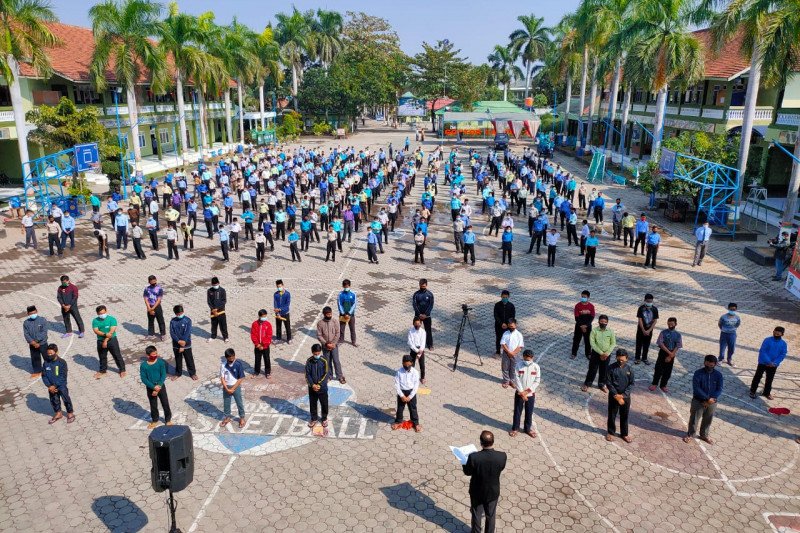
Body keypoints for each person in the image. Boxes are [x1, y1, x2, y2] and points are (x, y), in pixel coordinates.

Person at [462, 430, 507, 533]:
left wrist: (464, 462)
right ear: (493, 442)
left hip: (477, 492)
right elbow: (501, 468)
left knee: (477, 515)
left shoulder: (474, 457)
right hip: (492, 492)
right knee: (491, 515)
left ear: (481, 443)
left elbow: (467, 472)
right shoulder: (502, 456)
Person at [683, 355, 723, 445]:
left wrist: (711, 399)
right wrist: (707, 399)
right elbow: (696, 388)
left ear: (715, 364)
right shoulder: (698, 373)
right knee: (694, 419)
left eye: (711, 365)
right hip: (699, 401)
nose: (709, 366)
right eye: (707, 363)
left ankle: (704, 435)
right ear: (704, 362)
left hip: (712, 402)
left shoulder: (718, 375)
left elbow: (719, 389)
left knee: (708, 419)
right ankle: (690, 434)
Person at [749, 326, 788, 400]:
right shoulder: (767, 340)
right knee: (757, 377)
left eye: (778, 332)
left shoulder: (783, 344)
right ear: (773, 332)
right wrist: (769, 362)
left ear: (782, 334)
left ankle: (766, 393)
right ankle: (752, 391)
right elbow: (763, 351)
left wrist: (775, 363)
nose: (776, 333)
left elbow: (782, 354)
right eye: (775, 331)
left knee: (769, 379)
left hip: (773, 365)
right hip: (763, 363)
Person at [510, 349, 540, 438]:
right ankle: (515, 428)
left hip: (530, 394)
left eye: (529, 360)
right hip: (519, 393)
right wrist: (522, 392)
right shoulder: (518, 366)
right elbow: (517, 379)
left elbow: (537, 381)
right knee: (517, 411)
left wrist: (527, 391)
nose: (527, 361)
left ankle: (527, 429)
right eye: (526, 359)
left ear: (532, 358)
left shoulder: (536, 367)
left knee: (529, 412)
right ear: (523, 357)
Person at [140, 346, 172, 429]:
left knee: (165, 403)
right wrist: (154, 387)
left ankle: (168, 419)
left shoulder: (160, 362)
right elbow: (144, 379)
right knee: (153, 404)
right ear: (147, 355)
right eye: (153, 354)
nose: (155, 355)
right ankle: (154, 420)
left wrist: (159, 386)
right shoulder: (143, 366)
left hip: (161, 386)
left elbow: (163, 375)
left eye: (156, 353)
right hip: (150, 388)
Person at [42, 344, 75, 424]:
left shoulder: (62, 362)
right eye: (48, 353)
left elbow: (63, 376)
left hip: (61, 385)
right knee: (54, 400)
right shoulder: (46, 363)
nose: (49, 355)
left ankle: (70, 413)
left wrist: (55, 385)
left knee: (66, 399)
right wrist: (49, 386)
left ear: (56, 352)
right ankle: (58, 413)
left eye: (51, 353)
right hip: (51, 387)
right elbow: (44, 375)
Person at [582, 315, 615, 392]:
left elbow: (613, 343)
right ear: (598, 322)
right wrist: (601, 353)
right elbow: (592, 343)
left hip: (607, 355)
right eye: (601, 321)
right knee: (592, 369)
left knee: (604, 370)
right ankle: (587, 384)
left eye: (605, 322)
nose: (603, 323)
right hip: (596, 354)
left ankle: (601, 384)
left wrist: (607, 353)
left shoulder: (610, 331)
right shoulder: (594, 331)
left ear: (607, 323)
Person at [606, 349, 634, 443]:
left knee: (624, 415)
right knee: (612, 414)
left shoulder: (629, 369)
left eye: (622, 360)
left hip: (625, 397)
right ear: (616, 358)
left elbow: (631, 384)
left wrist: (623, 395)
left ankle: (624, 434)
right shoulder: (610, 368)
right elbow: (609, 383)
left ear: (627, 358)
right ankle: (610, 432)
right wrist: (616, 395)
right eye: (619, 359)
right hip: (614, 396)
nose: (620, 361)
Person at [649, 318, 683, 393]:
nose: (670, 325)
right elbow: (660, 343)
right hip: (663, 352)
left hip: (672, 353)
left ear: (675, 324)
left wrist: (671, 355)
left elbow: (678, 345)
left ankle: (663, 385)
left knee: (668, 370)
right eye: (669, 324)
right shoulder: (663, 333)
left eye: (672, 324)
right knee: (658, 369)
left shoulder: (678, 335)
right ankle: (654, 383)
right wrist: (669, 353)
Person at [92, 305, 126, 379]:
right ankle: (102, 371)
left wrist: (105, 341)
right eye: (100, 314)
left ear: (106, 311)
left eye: (103, 313)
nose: (102, 315)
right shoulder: (95, 321)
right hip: (100, 341)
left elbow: (111, 332)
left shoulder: (112, 319)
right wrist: (104, 334)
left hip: (112, 340)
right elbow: (96, 330)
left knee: (117, 355)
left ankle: (122, 370)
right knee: (102, 356)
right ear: (97, 313)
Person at [392, 354, 421, 432]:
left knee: (413, 408)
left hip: (411, 392)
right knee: (400, 408)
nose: (407, 367)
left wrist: (410, 396)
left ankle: (416, 423)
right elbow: (396, 384)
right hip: (402, 392)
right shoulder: (399, 372)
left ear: (411, 363)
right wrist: (401, 395)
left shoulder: (415, 372)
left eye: (408, 365)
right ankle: (398, 421)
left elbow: (416, 385)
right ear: (402, 364)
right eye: (405, 365)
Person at [220, 348, 246, 428]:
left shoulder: (238, 364)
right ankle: (227, 418)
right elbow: (222, 378)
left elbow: (241, 378)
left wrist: (233, 388)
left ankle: (242, 418)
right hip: (226, 387)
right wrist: (227, 388)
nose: (232, 358)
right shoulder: (223, 365)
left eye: (233, 356)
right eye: (230, 357)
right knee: (226, 403)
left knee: (239, 403)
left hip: (236, 387)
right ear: (226, 357)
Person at [316, 306, 343, 383]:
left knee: (336, 360)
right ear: (324, 314)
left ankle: (340, 376)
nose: (329, 315)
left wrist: (333, 343)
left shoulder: (335, 321)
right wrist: (326, 344)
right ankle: (329, 376)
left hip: (334, 346)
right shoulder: (320, 323)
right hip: (325, 346)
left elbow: (338, 333)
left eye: (330, 314)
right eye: (328, 314)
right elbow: (319, 335)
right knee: (327, 361)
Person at [305, 344, 329, 429]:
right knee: (313, 403)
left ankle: (324, 418)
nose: (316, 355)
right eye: (315, 354)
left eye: (318, 354)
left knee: (324, 403)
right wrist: (312, 385)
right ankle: (314, 418)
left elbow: (326, 374)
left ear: (320, 352)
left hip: (322, 387)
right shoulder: (309, 361)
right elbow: (307, 374)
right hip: (312, 388)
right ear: (312, 353)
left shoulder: (324, 361)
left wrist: (319, 384)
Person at [169, 305, 196, 380]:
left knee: (189, 359)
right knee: (178, 359)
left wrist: (183, 344)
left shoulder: (188, 321)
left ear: (183, 312)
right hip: (176, 344)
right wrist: (178, 341)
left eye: (180, 313)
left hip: (186, 344)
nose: (179, 315)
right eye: (177, 314)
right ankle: (178, 373)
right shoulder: (173, 321)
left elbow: (187, 333)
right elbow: (172, 333)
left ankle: (192, 373)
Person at [23, 306, 48, 378]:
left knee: (46, 356)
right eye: (31, 313)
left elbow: (44, 332)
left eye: (34, 313)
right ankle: (37, 371)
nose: (33, 314)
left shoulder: (42, 320)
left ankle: (49, 370)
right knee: (35, 357)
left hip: (42, 343)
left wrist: (36, 341)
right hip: (32, 344)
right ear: (28, 314)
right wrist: (32, 342)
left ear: (36, 311)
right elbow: (26, 334)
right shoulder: (26, 323)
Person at [634, 294, 659, 365]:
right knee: (639, 344)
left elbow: (655, 320)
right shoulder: (641, 308)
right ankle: (637, 358)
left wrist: (649, 330)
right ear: (645, 300)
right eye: (648, 301)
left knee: (646, 344)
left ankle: (644, 358)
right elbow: (640, 320)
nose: (649, 303)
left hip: (649, 331)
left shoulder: (654, 309)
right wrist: (643, 330)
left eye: (651, 301)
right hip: (640, 330)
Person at [499, 318, 524, 388]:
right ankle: (506, 381)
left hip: (515, 354)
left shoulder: (519, 334)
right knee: (505, 367)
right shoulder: (506, 333)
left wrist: (513, 353)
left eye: (512, 327)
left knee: (514, 368)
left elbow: (520, 346)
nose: (511, 328)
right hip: (506, 353)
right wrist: (509, 352)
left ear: (516, 325)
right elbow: (503, 344)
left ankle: (512, 381)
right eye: (509, 327)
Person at [571, 290, 595, 360]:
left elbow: (592, 317)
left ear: (588, 297)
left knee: (588, 341)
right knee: (576, 340)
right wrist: (581, 326)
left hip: (588, 326)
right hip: (579, 326)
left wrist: (586, 326)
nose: (582, 298)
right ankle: (574, 353)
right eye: (582, 296)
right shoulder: (577, 306)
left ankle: (588, 354)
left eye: (584, 297)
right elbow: (576, 317)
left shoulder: (591, 306)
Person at [250, 309, 273, 378]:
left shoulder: (268, 324)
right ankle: (256, 371)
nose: (265, 318)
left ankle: (268, 372)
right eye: (263, 316)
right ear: (259, 316)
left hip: (265, 346)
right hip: (257, 346)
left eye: (265, 316)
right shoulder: (254, 324)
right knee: (257, 359)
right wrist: (257, 344)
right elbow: (253, 335)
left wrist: (263, 344)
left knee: (267, 359)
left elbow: (269, 335)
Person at [412, 278, 434, 350]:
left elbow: (431, 305)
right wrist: (419, 314)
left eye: (424, 286)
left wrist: (425, 314)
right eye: (421, 286)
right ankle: (416, 344)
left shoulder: (430, 295)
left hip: (427, 316)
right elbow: (414, 305)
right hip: (418, 316)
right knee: (416, 330)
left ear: (426, 285)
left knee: (428, 330)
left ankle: (430, 344)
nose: (422, 287)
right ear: (419, 285)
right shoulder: (416, 294)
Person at [493, 290, 516, 356]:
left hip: (508, 326)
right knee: (498, 338)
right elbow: (496, 315)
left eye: (506, 297)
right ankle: (498, 351)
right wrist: (501, 323)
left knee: (508, 338)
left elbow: (512, 316)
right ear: (501, 296)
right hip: (498, 325)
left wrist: (507, 324)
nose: (504, 299)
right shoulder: (497, 305)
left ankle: (507, 352)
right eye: (503, 297)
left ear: (508, 297)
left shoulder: (511, 306)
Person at [143, 275, 166, 341]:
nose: (154, 283)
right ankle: (151, 334)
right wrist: (149, 308)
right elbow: (146, 299)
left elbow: (159, 300)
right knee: (150, 321)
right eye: (152, 281)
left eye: (154, 281)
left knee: (160, 320)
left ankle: (163, 334)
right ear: (149, 282)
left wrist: (152, 308)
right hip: (149, 306)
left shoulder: (159, 289)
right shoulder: (147, 289)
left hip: (157, 306)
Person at [207, 277, 229, 343]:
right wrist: (213, 309)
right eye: (213, 285)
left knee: (223, 325)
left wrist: (217, 308)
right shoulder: (209, 291)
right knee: (213, 325)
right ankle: (213, 336)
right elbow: (209, 301)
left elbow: (224, 301)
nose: (215, 286)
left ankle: (225, 337)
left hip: (221, 311)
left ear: (218, 283)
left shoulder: (222, 290)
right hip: (213, 311)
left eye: (216, 284)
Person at [337, 279, 358, 346]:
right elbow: (339, 304)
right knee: (342, 329)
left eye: (347, 286)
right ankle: (341, 340)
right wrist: (343, 313)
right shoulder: (340, 294)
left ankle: (353, 341)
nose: (346, 287)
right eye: (345, 286)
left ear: (349, 285)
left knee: (352, 329)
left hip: (351, 315)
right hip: (342, 315)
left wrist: (349, 313)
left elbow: (354, 304)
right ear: (343, 286)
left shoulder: (353, 294)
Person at [407, 316, 427, 385]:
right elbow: (410, 343)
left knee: (422, 365)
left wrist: (420, 352)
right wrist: (416, 351)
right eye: (416, 324)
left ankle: (422, 377)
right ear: (413, 324)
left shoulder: (423, 332)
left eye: (418, 324)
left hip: (421, 350)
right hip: (413, 350)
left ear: (421, 324)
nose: (417, 325)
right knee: (411, 365)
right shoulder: (410, 331)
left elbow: (423, 343)